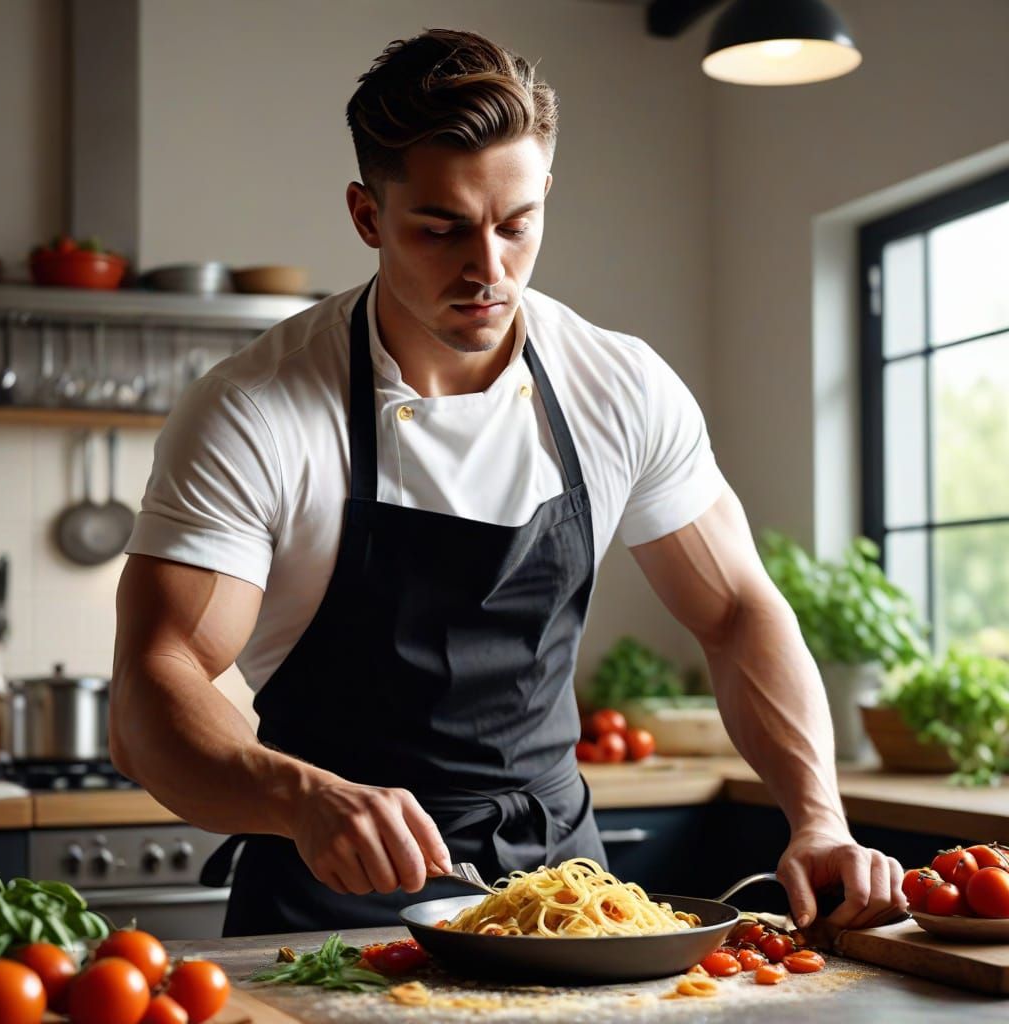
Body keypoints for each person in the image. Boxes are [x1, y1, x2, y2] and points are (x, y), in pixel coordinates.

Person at [110, 27, 905, 936]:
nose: (487, 271)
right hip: (330, 893)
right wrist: (301, 799)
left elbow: (734, 613)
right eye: (441, 229)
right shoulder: (259, 410)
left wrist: (819, 817)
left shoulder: (621, 385)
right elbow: (152, 688)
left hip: (567, 894)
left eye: (516, 224)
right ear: (368, 217)